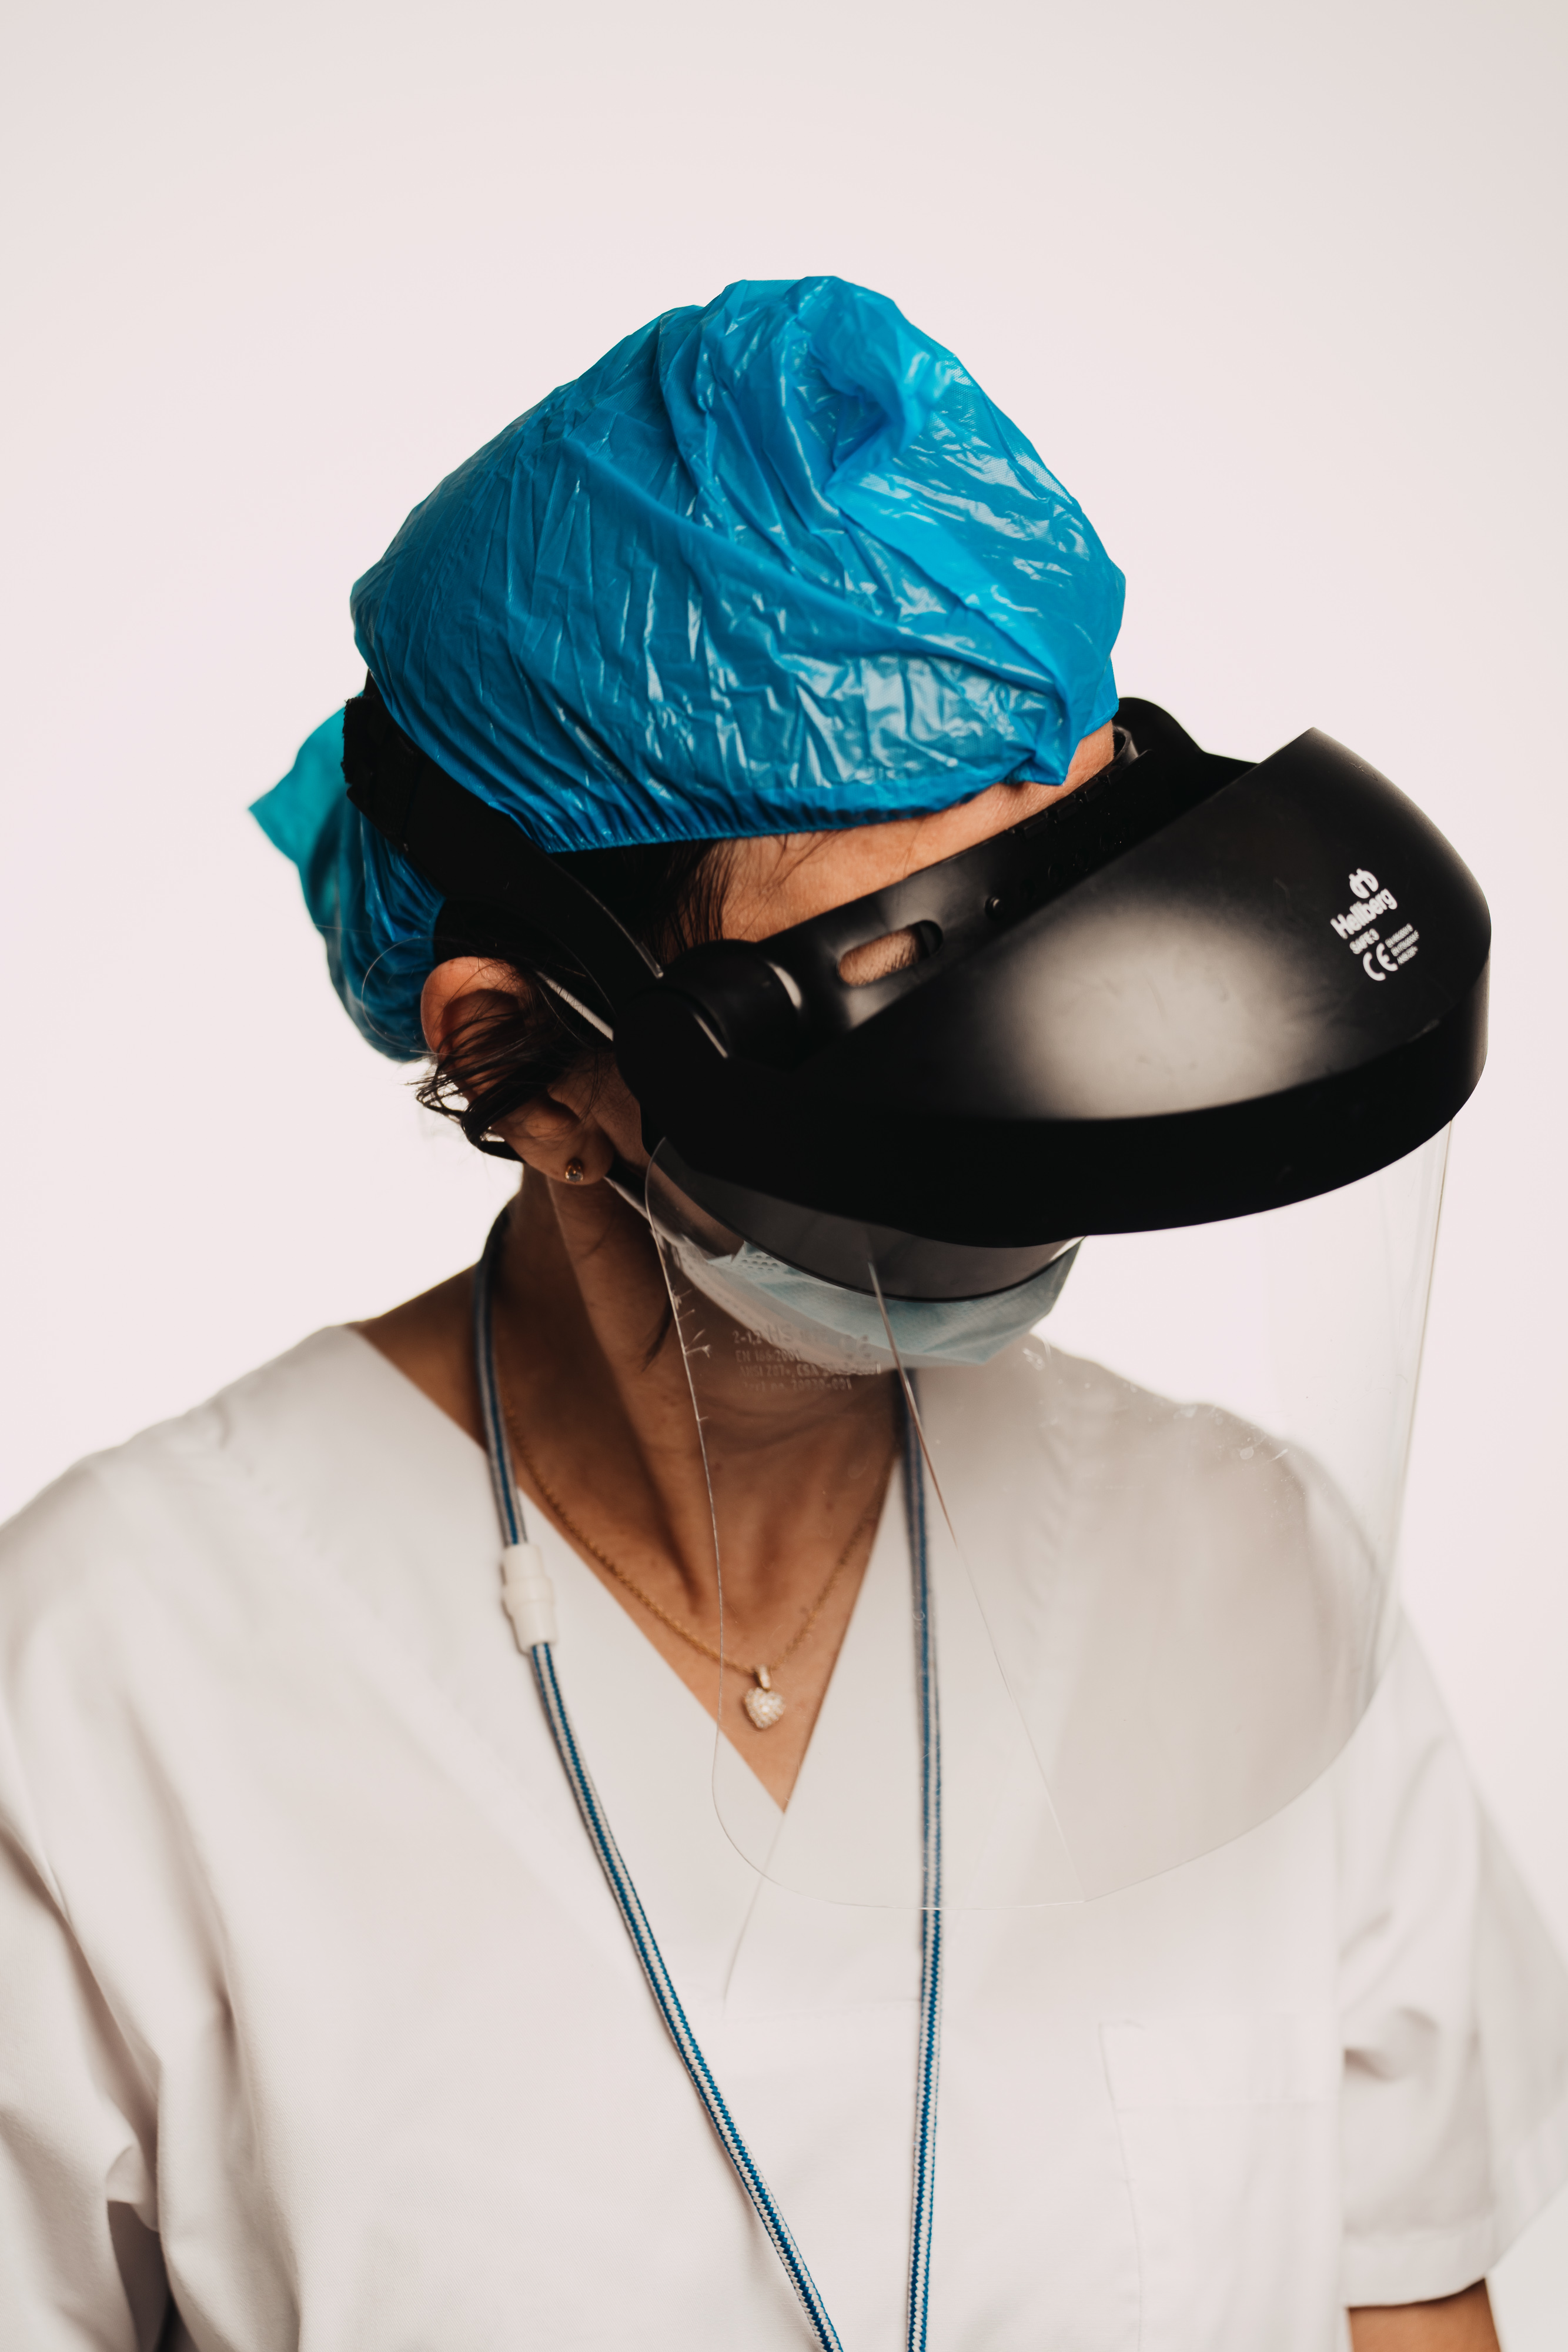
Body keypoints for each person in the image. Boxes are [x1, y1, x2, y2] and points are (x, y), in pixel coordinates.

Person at [1, 276, 1564, 2351]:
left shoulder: (1241, 1565)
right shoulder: (108, 1686)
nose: (1047, 1087)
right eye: (925, 990)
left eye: (1072, 897)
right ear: (532, 1072)